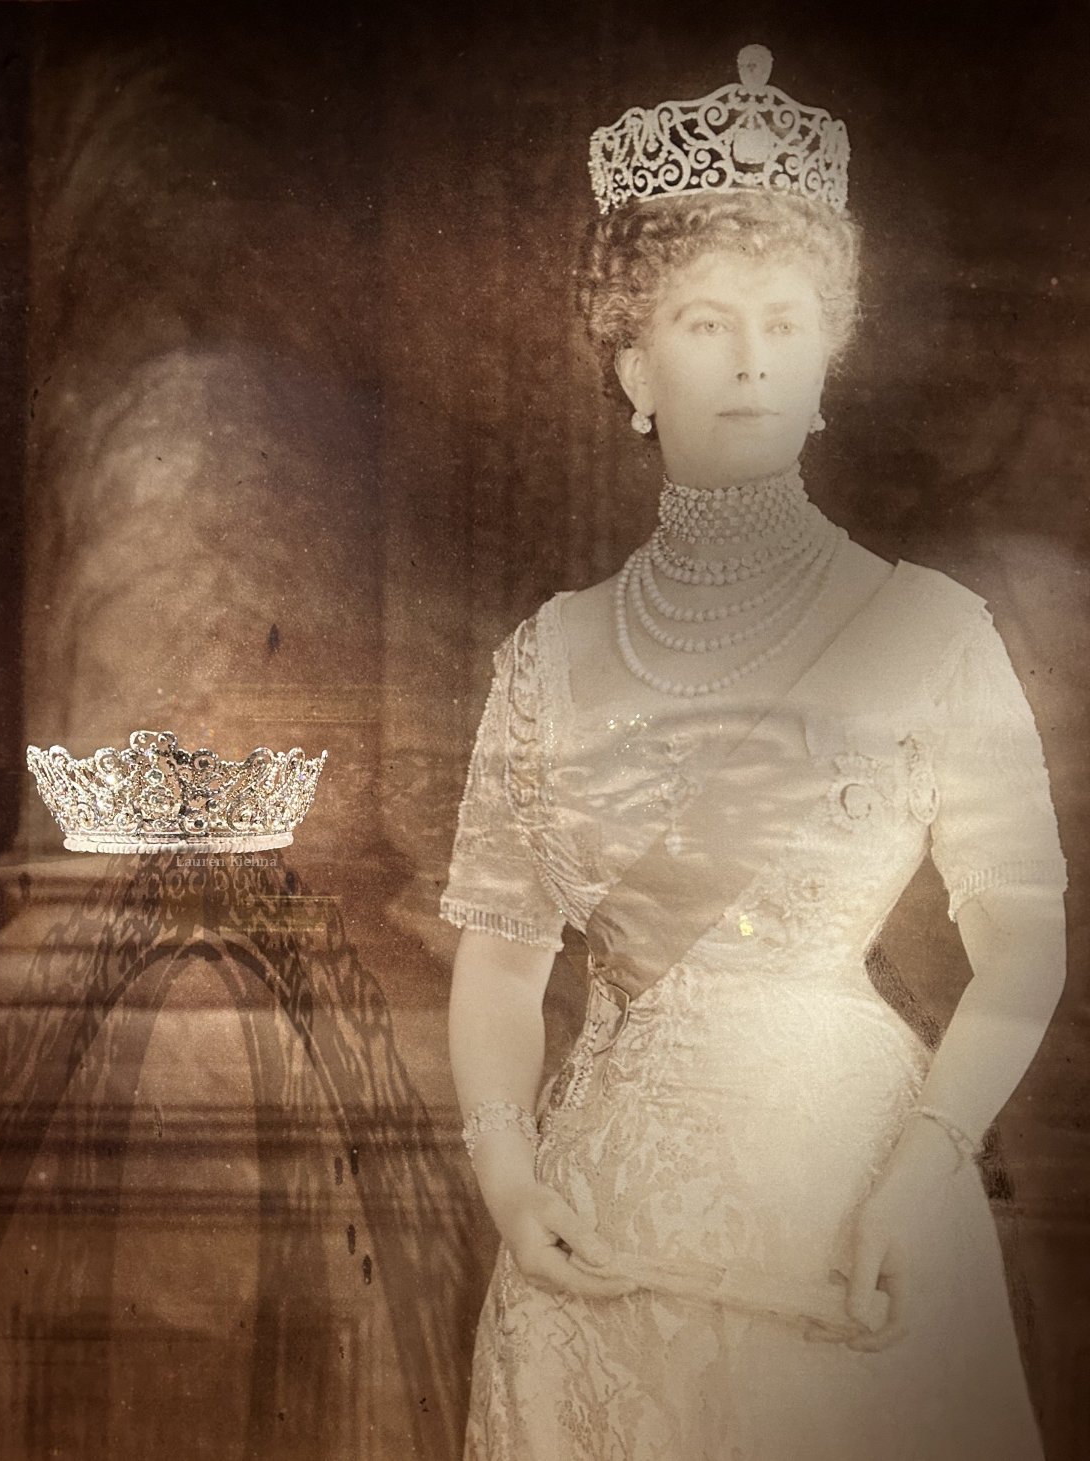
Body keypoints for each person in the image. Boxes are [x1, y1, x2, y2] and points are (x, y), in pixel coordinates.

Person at [441, 44, 1068, 1461]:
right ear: (631, 364)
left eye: (784, 321)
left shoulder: (929, 630)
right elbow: (497, 953)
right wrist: (505, 1171)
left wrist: (924, 1167)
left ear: (828, 360)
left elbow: (1027, 945)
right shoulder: (548, 655)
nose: (749, 358)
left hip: (853, 1207)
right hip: (588, 1232)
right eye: (704, 321)